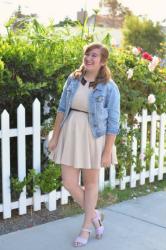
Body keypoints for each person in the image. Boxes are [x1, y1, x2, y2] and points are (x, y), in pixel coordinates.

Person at [48, 42, 120, 247]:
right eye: (87, 54)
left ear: (103, 61)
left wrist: (107, 151)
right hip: (71, 133)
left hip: (93, 137)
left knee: (90, 184)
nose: (89, 58)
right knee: (69, 182)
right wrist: (55, 137)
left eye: (94, 55)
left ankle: (86, 228)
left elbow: (113, 122)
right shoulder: (73, 80)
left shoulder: (110, 87)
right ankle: (95, 215)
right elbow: (62, 109)